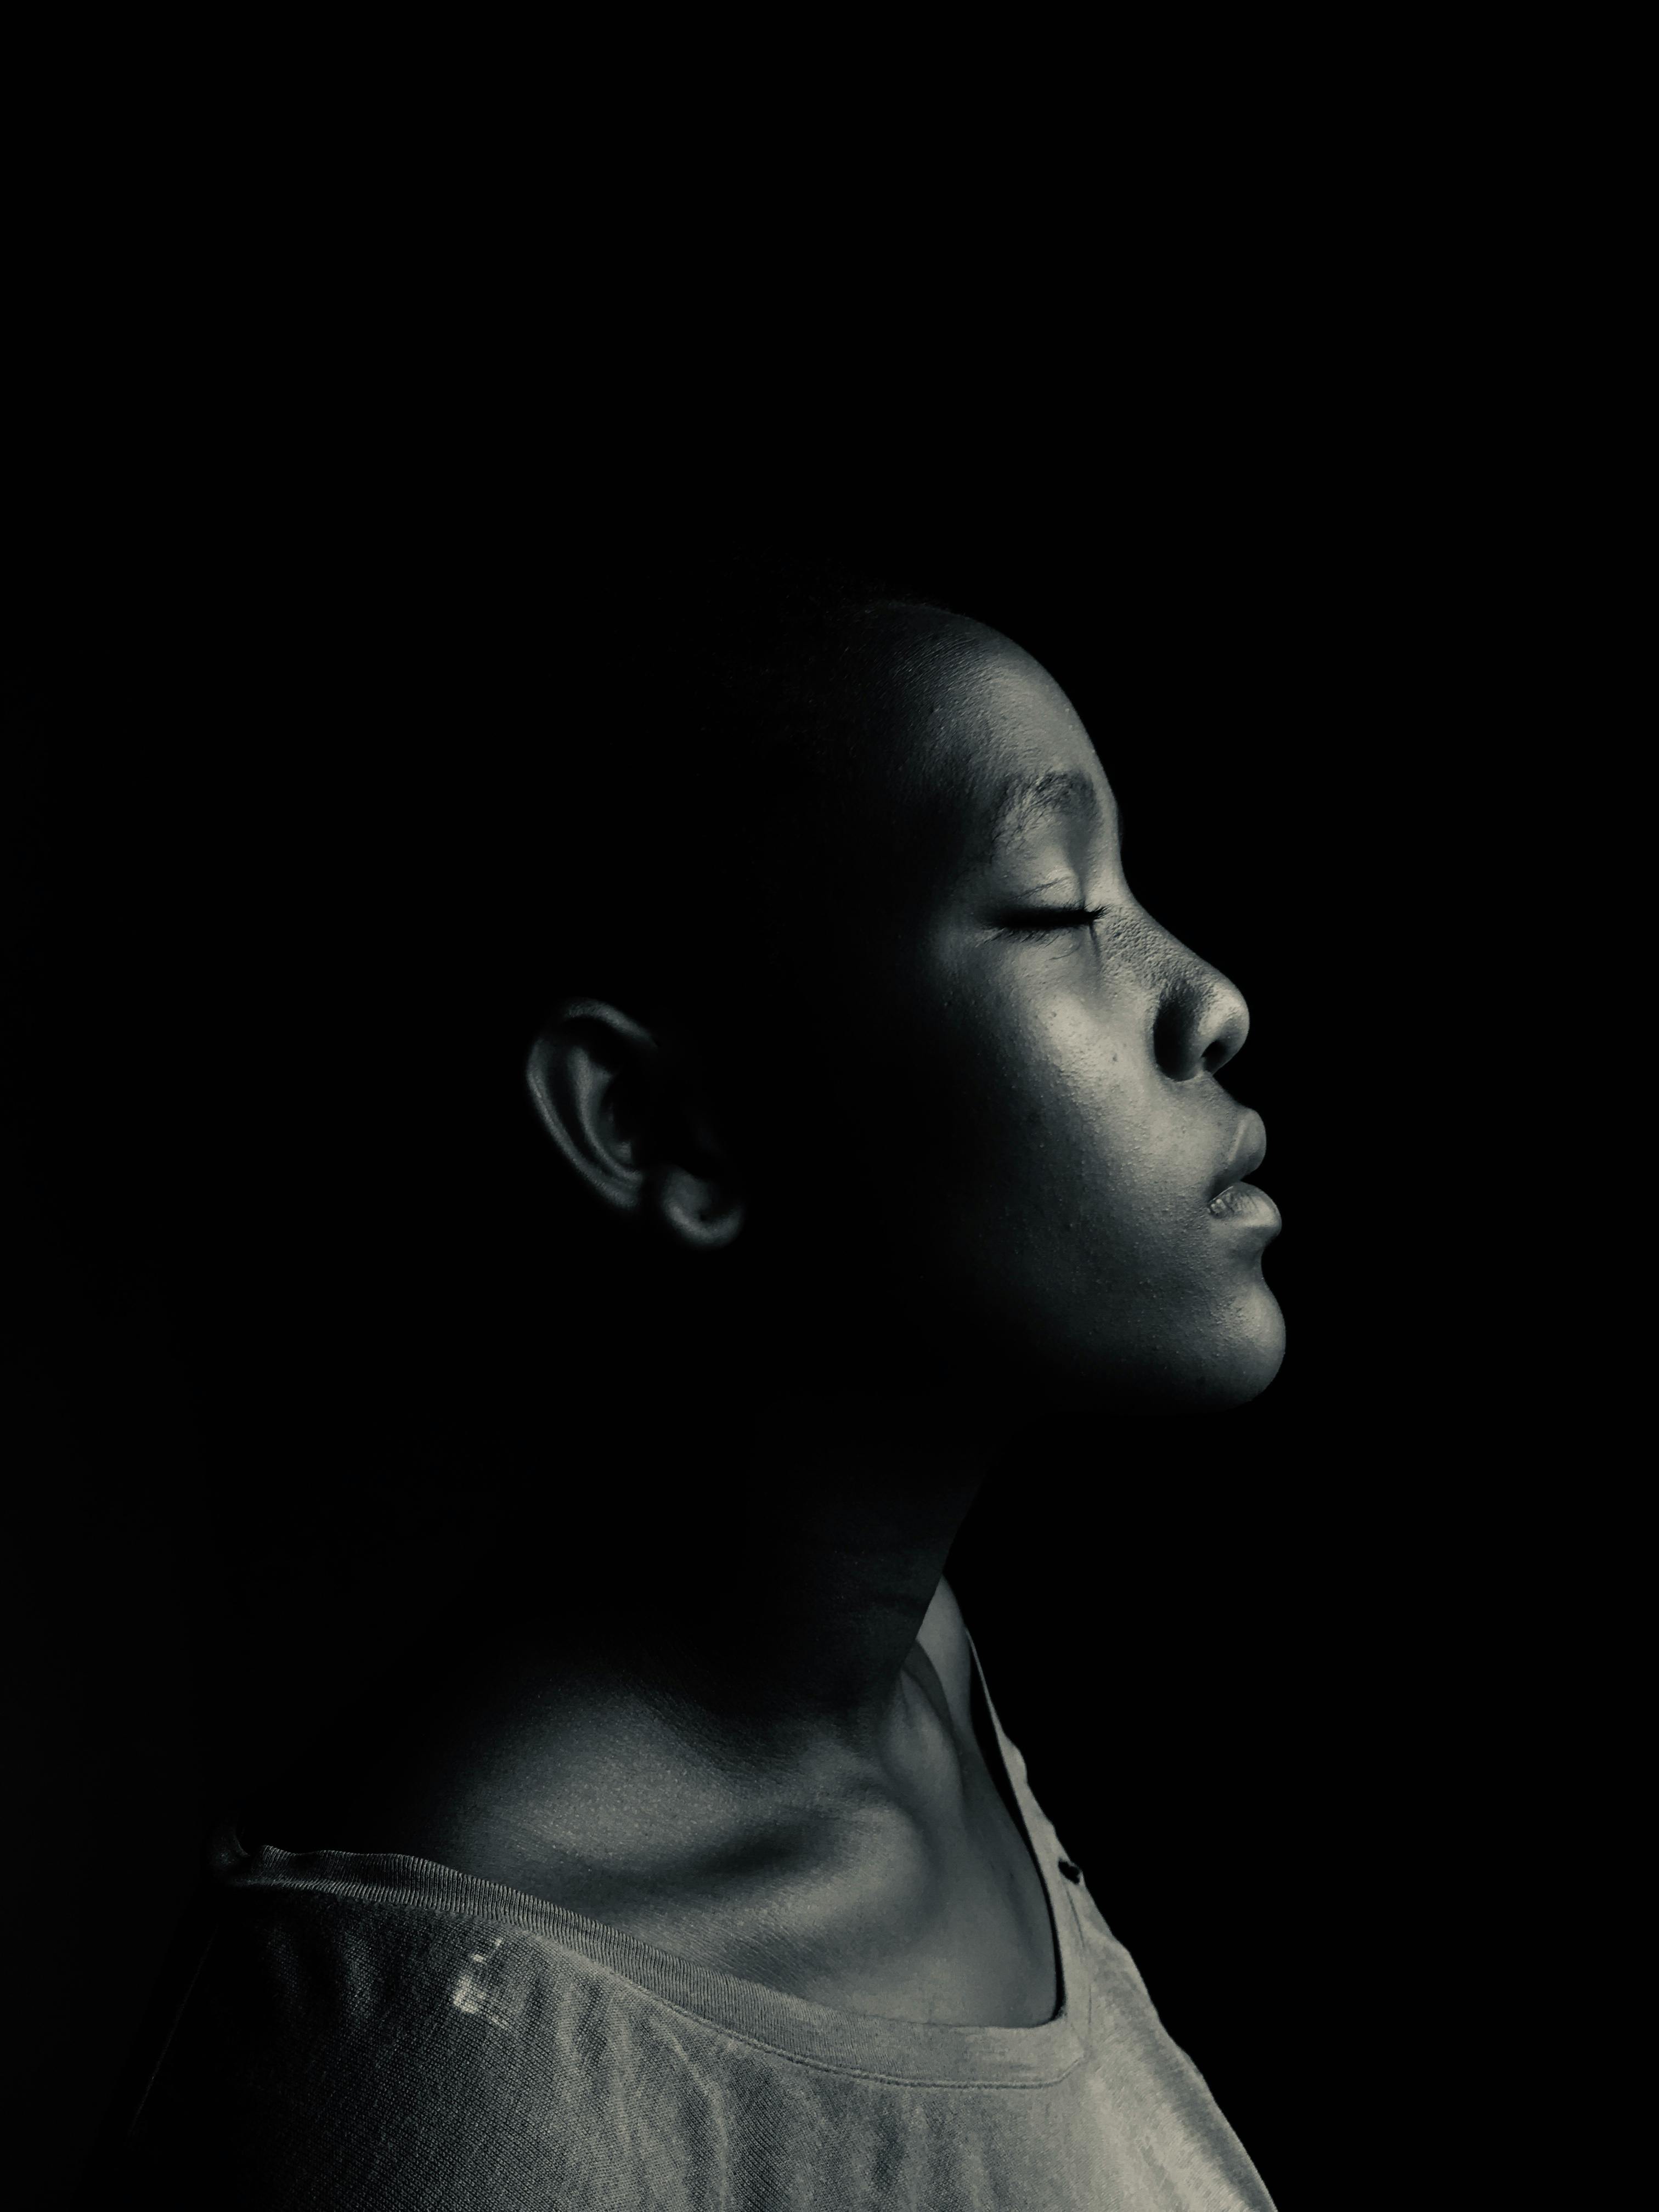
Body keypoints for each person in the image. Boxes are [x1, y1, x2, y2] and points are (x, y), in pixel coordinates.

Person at [96, 555, 1285, 2209]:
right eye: (1060, 910)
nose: (1212, 1003)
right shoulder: (453, 2076)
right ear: (658, 1128)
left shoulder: (921, 1683)